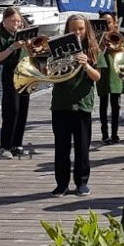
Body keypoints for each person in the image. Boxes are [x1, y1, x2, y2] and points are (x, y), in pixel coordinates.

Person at [50, 15, 101, 197]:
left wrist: (86, 65)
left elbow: (97, 77)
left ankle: (82, 182)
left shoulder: (93, 50)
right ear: (67, 30)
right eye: (73, 29)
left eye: (81, 29)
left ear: (86, 30)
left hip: (82, 105)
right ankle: (61, 184)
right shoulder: (59, 49)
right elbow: (50, 74)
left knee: (82, 147)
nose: (77, 32)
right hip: (61, 104)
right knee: (61, 147)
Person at [0, 6, 30, 159]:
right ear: (4, 21)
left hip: (25, 73)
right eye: (13, 21)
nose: (16, 24)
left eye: (18, 21)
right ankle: (4, 146)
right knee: (11, 110)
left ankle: (17, 144)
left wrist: (30, 45)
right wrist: (13, 47)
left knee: (23, 110)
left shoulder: (21, 34)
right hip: (10, 73)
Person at [95, 14, 124, 144]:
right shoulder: (96, 39)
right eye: (103, 22)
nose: (106, 25)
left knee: (116, 106)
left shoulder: (118, 36)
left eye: (108, 22)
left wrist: (117, 47)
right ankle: (105, 134)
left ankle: (115, 134)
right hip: (103, 75)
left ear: (114, 23)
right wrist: (101, 46)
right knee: (103, 105)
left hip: (116, 75)